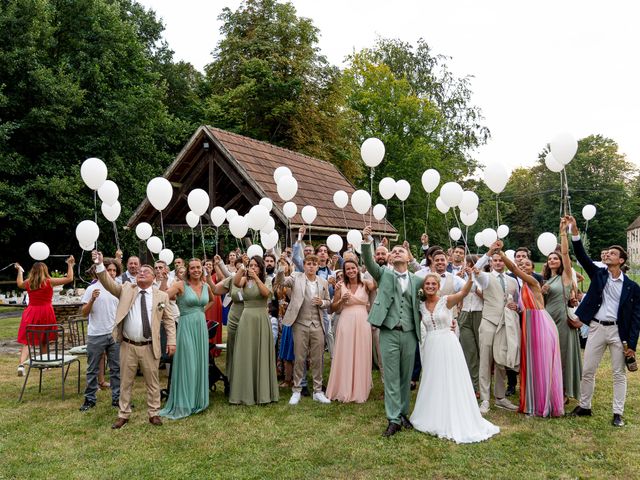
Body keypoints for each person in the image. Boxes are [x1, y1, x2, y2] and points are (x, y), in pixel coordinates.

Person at [567, 215, 640, 427]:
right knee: (588, 370)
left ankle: (618, 413)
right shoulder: (598, 274)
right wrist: (575, 232)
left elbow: (636, 319)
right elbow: (581, 256)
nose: (608, 254)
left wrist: (632, 346)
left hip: (619, 332)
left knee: (619, 373)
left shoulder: (633, 288)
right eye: (607, 253)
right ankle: (584, 406)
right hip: (597, 328)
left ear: (621, 260)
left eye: (613, 253)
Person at [410, 270, 499, 443]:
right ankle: (434, 412)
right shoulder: (419, 305)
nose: (430, 286)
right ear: (423, 287)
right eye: (427, 284)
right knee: (433, 378)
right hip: (430, 344)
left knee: (451, 377)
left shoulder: (446, 301)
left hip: (448, 343)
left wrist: (471, 277)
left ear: (438, 286)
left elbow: (464, 292)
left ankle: (455, 412)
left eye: (433, 284)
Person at [92, 250, 176, 429]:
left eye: (146, 271)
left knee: (153, 382)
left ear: (154, 277)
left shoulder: (161, 296)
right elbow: (107, 282)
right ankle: (123, 414)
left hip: (149, 346)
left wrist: (171, 341)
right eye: (139, 272)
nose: (141, 273)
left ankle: (154, 413)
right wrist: (100, 265)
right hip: (128, 345)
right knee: (125, 382)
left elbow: (169, 320)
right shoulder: (126, 289)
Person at [490, 241, 564, 417]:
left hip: (540, 323)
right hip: (529, 324)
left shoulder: (532, 281)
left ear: (533, 269)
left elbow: (514, 270)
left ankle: (545, 403)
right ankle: (534, 400)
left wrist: (501, 254)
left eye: (526, 264)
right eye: (521, 264)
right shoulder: (523, 286)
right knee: (532, 364)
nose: (522, 266)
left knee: (542, 363)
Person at [361, 226, 422, 437]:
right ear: (388, 257)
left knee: (406, 377)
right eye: (393, 251)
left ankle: (404, 413)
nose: (396, 252)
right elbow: (369, 262)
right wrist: (367, 240)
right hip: (388, 331)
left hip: (409, 332)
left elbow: (432, 285)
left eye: (400, 250)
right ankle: (393, 418)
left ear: (407, 256)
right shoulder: (384, 273)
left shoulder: (417, 279)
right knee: (391, 375)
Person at [158, 258, 215, 419]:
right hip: (186, 327)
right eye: (193, 268)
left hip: (200, 328)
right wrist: (162, 282)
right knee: (187, 362)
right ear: (188, 271)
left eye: (198, 267)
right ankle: (184, 401)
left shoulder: (206, 286)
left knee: (199, 362)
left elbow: (212, 300)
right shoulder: (180, 285)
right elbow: (163, 298)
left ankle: (198, 399)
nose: (196, 270)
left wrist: (201, 310)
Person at [275, 253, 331, 406]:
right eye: (308, 263)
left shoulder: (323, 282)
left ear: (318, 266)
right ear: (304, 265)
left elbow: (328, 302)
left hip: (317, 324)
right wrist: (281, 268)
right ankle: (297, 390)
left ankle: (318, 391)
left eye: (314, 264)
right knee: (299, 358)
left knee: (318, 358)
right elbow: (280, 281)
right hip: (300, 323)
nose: (311, 266)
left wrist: (322, 302)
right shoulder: (296, 278)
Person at [473, 250, 520, 414]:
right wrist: (488, 253)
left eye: (501, 260)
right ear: (491, 262)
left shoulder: (513, 281)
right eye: (495, 260)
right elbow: (474, 269)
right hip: (489, 322)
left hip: (505, 324)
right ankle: (485, 399)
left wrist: (516, 306)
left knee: (501, 360)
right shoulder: (486, 277)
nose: (499, 263)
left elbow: (518, 302)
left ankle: (500, 397)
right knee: (485, 360)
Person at [541, 218, 582, 402]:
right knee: (549, 355)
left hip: (563, 320)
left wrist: (564, 232)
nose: (552, 260)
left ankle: (564, 391)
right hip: (548, 320)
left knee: (563, 355)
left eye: (555, 258)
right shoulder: (545, 281)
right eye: (550, 259)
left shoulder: (566, 277)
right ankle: (551, 387)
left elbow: (565, 252)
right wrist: (541, 293)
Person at [230, 256, 279, 405]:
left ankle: (263, 392)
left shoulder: (267, 280)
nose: (253, 268)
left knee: (261, 352)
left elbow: (266, 294)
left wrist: (257, 278)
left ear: (260, 267)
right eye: (251, 265)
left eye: (255, 266)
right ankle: (245, 392)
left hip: (261, 317)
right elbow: (235, 282)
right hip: (246, 318)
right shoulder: (245, 280)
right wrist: (242, 267)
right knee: (246, 353)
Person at [15, 256, 75, 376]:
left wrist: (20, 271)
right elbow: (69, 278)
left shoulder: (29, 283)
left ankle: (21, 365)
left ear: (33, 271)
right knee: (44, 340)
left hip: (31, 311)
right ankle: (43, 365)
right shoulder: (49, 281)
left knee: (27, 341)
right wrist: (70, 265)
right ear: (45, 270)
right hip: (46, 312)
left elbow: (19, 283)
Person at [326, 259, 376, 403]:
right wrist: (341, 300)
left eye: (353, 268)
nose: (351, 271)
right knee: (346, 352)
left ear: (357, 268)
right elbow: (333, 308)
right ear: (344, 271)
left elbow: (378, 283)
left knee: (361, 352)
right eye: (348, 269)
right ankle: (344, 386)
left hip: (362, 321)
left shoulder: (365, 284)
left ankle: (360, 387)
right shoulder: (340, 285)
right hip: (346, 321)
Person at [79, 259, 121, 412]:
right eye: (109, 270)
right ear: (100, 271)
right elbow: (84, 313)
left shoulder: (117, 288)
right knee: (92, 369)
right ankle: (90, 399)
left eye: (114, 271)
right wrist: (92, 300)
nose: (111, 273)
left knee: (117, 369)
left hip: (114, 334)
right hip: (96, 334)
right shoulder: (92, 288)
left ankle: (117, 398)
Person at [458, 255, 483, 396]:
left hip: (480, 314)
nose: (467, 266)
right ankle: (474, 386)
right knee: (470, 352)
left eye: (470, 264)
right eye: (465, 264)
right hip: (465, 315)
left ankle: (483, 383)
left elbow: (487, 296)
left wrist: (474, 285)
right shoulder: (460, 279)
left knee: (481, 351)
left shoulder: (483, 279)